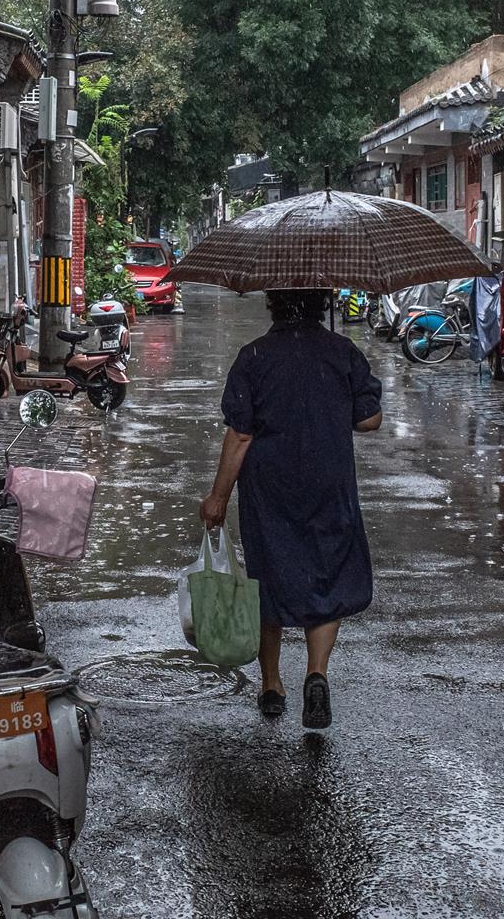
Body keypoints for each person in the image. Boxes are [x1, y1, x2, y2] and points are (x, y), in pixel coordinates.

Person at [200, 288, 383, 729]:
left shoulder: (255, 356)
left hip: (270, 486)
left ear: (273, 305)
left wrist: (218, 496)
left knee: (270, 577)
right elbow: (369, 419)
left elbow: (240, 435)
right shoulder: (342, 351)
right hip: (328, 480)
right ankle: (316, 675)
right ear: (322, 305)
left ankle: (270, 685)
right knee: (329, 572)